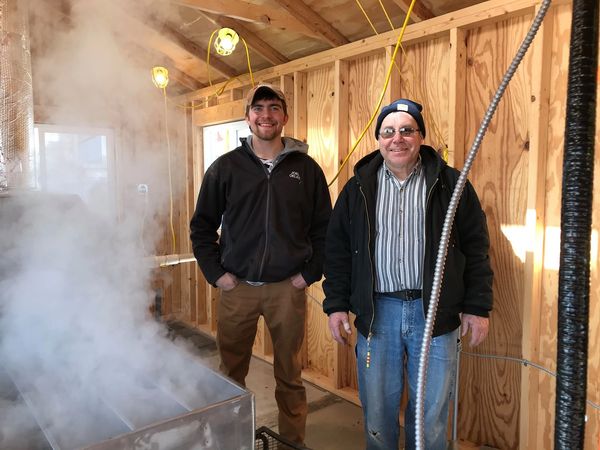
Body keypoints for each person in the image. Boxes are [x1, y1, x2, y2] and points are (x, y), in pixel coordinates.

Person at [322, 98, 493, 450]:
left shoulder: (451, 184)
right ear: (378, 139)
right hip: (377, 313)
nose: (396, 138)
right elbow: (338, 251)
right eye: (388, 131)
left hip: (435, 314)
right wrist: (336, 304)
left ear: (420, 137)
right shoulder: (357, 188)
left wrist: (477, 306)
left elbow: (475, 247)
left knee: (430, 413)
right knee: (378, 410)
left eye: (406, 130)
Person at [190, 83, 332, 446]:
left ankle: (291, 443)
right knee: (230, 374)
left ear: (284, 116)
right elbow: (202, 226)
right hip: (237, 289)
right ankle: (230, 440)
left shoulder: (307, 169)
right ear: (247, 116)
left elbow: (324, 228)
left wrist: (308, 274)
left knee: (290, 375)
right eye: (258, 108)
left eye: (273, 107)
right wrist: (216, 274)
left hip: (288, 289)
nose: (265, 115)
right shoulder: (225, 168)